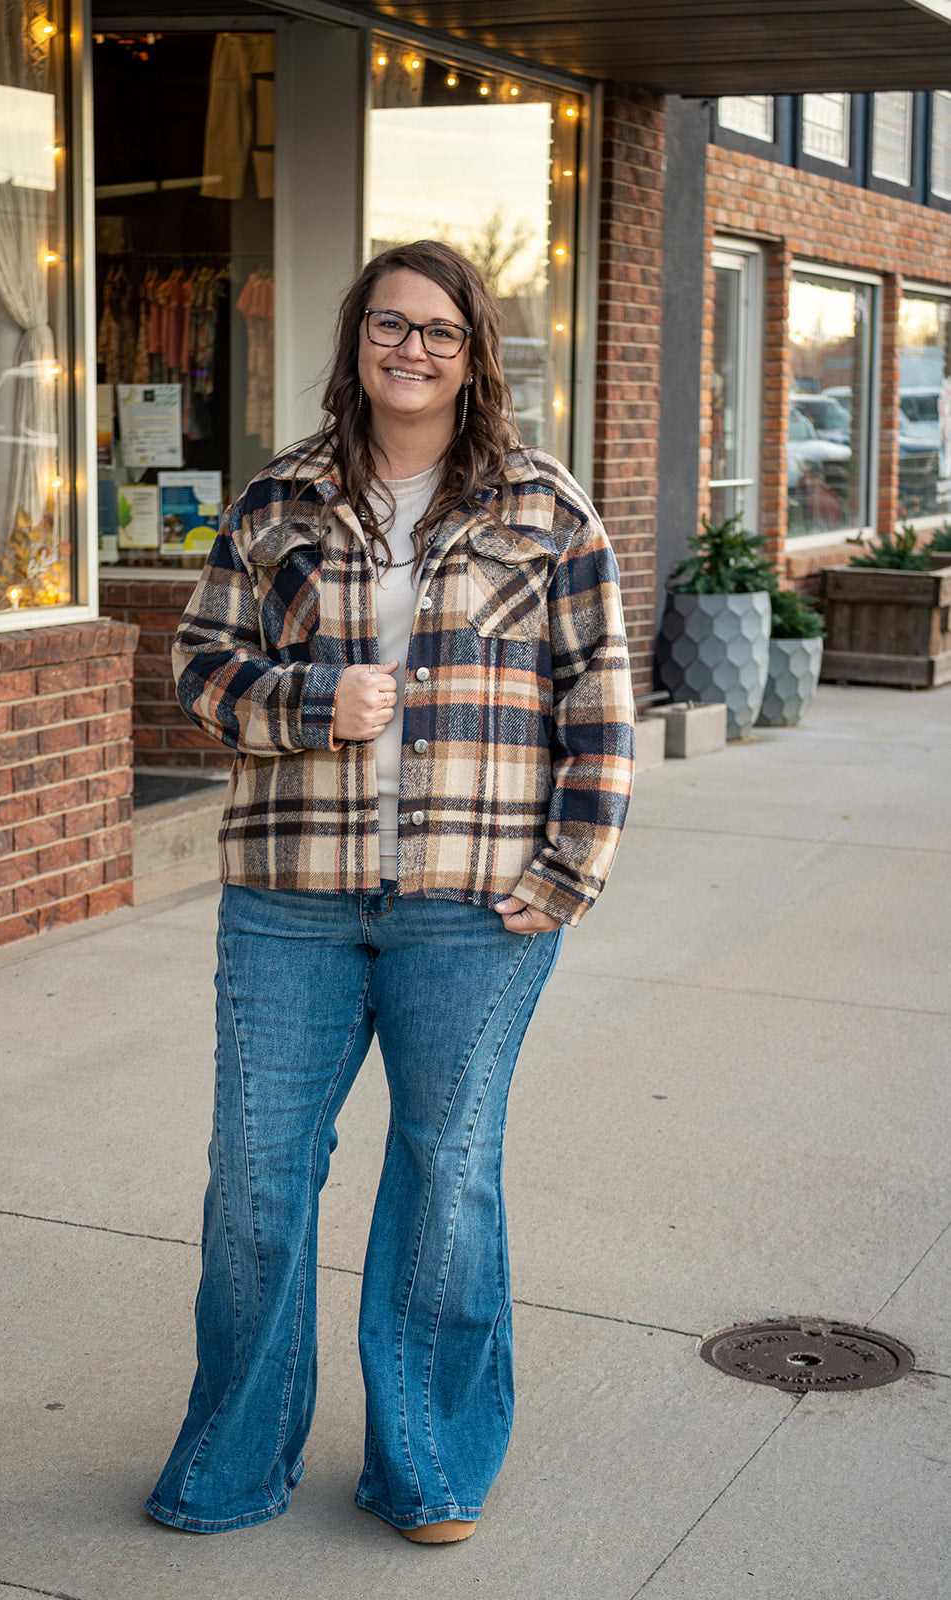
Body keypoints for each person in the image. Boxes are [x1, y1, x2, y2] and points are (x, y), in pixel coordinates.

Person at [146, 239, 634, 1543]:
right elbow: (198, 666)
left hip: (474, 914)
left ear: (475, 357)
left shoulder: (547, 508)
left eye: (440, 332)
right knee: (254, 1187)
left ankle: (428, 1465)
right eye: (388, 325)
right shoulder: (278, 499)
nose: (411, 350)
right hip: (289, 903)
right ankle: (235, 1459)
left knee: (447, 1179)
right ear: (354, 340)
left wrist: (568, 870)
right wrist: (307, 700)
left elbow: (602, 704)